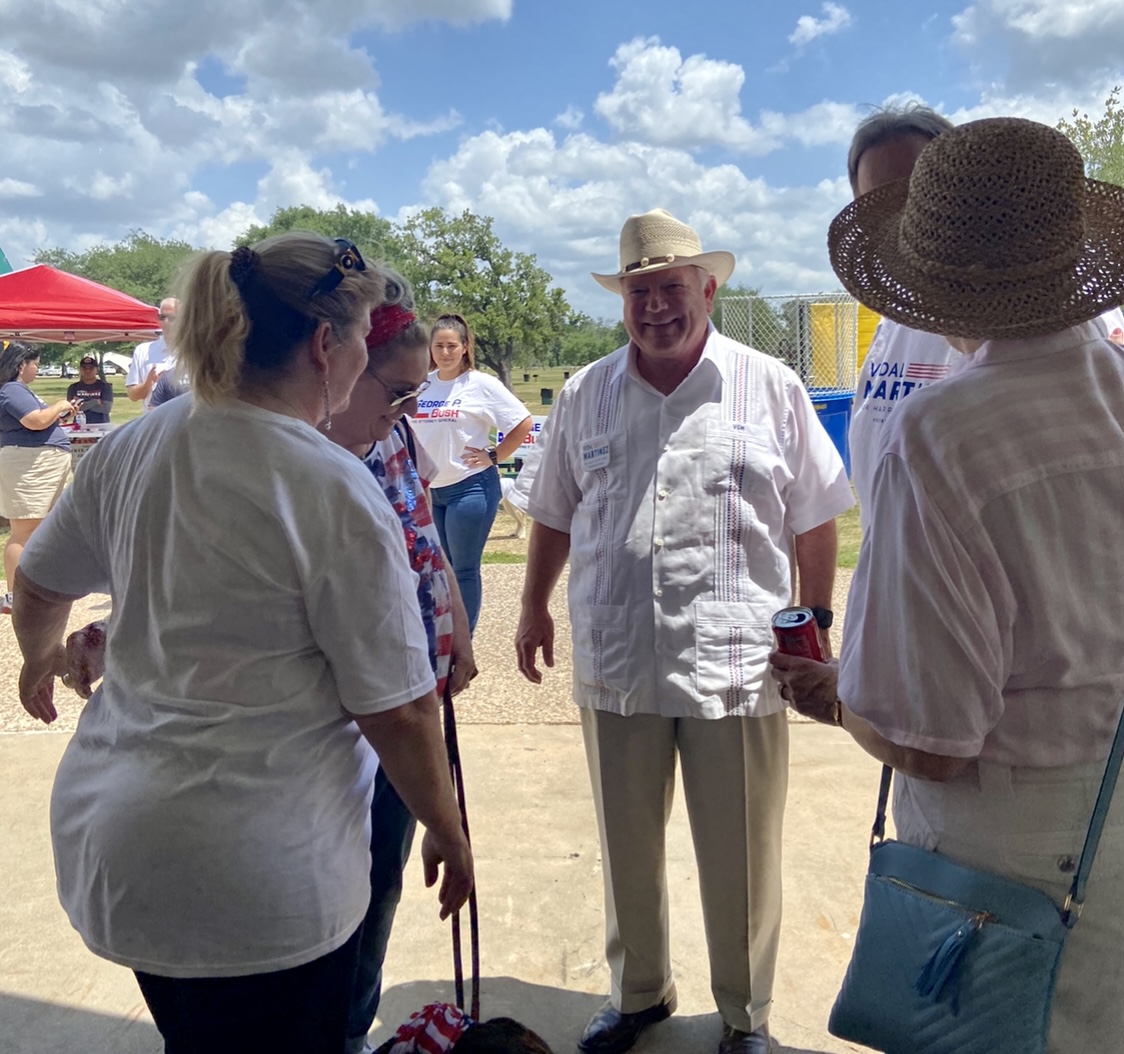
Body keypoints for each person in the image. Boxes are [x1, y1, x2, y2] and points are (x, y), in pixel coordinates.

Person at [13, 233, 474, 1054]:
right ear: (325, 345)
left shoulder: (132, 445)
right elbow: (397, 710)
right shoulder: (330, 484)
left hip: (125, 851)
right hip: (263, 878)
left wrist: (39, 657)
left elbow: (42, 584)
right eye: (364, 335)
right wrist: (444, 823)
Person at [790, 116, 1124, 1051]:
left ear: (936, 275)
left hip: (1001, 863)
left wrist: (839, 697)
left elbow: (927, 741)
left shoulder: (942, 434)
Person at [515, 208, 854, 1054]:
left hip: (736, 664)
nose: (656, 305)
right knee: (625, 846)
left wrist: (812, 620)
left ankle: (746, 1017)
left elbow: (815, 516)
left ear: (707, 287)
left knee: (741, 857)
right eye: (639, 290)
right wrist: (530, 607)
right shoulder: (589, 392)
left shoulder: (767, 384)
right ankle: (638, 994)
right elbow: (554, 513)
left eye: (671, 286)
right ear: (621, 298)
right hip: (619, 655)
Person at [328, 271, 477, 1054]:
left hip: (417, 679)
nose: (409, 409)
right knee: (341, 880)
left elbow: (425, 535)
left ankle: (352, 1024)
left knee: (384, 874)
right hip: (359, 710)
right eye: (398, 390)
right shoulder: (314, 456)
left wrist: (457, 630)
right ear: (344, 365)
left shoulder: (390, 431)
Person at [413, 313, 532, 631]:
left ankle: (463, 640)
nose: (445, 352)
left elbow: (523, 423)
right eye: (439, 346)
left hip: (471, 486)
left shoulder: (481, 385)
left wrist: (494, 455)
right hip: (431, 489)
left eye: (452, 345)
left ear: (465, 348)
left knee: (464, 568)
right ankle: (445, 633)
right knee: (442, 566)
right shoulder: (422, 384)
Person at [0, 341, 77, 614]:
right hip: (28, 466)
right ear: (22, 364)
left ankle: (33, 591)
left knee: (39, 529)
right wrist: (59, 405)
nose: (38, 368)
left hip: (38, 464)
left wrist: (60, 415)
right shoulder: (11, 389)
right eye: (36, 363)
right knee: (23, 532)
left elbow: (42, 422)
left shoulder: (18, 390)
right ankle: (15, 596)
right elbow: (35, 421)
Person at [125, 296, 177, 407]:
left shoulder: (195, 352)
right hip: (154, 420)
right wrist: (148, 383)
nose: (166, 322)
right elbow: (133, 395)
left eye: (172, 318)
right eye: (162, 317)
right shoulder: (143, 351)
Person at [66, 355, 114, 423]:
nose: (87, 371)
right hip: (79, 425)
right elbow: (71, 409)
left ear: (96, 369)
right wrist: (95, 402)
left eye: (91, 368)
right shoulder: (73, 388)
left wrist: (82, 405)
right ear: (80, 370)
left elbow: (106, 409)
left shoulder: (105, 387)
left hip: (101, 425)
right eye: (84, 368)